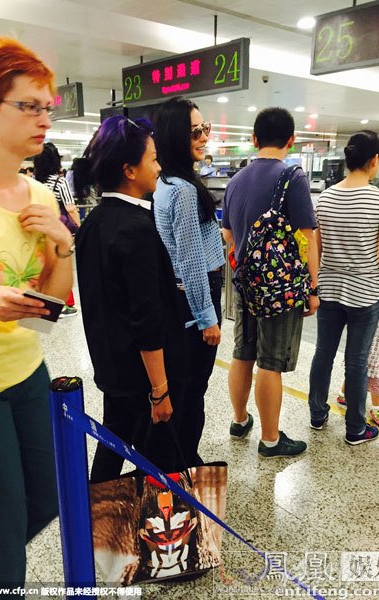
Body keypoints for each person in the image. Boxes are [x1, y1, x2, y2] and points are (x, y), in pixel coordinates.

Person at [0, 36, 73, 591]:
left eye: (47, 107)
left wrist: (63, 245)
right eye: (29, 106)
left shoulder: (42, 197)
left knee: (49, 499)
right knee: (1, 526)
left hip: (26, 371)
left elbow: (51, 303)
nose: (44, 120)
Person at [75, 116, 186, 482]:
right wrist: (160, 390)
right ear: (129, 170)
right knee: (161, 465)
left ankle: (94, 510)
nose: (159, 167)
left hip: (113, 367)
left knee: (113, 444)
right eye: (153, 159)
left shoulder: (94, 223)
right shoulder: (136, 229)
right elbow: (146, 317)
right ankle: (158, 520)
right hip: (142, 378)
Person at [222, 107, 319, 458]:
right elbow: (306, 238)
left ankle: (239, 420)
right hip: (279, 287)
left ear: (254, 139)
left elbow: (228, 235)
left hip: (245, 282)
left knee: (243, 352)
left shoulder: (235, 181)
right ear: (291, 140)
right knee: (270, 361)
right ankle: (271, 439)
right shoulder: (293, 177)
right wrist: (312, 288)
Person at [309, 130, 379, 445]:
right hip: (366, 293)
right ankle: (355, 429)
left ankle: (317, 415)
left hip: (330, 289)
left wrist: (316, 285)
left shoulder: (325, 198)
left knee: (323, 353)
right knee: (357, 360)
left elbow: (318, 248)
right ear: (374, 160)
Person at [153, 96, 224, 466]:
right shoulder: (182, 189)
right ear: (174, 136)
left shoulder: (166, 181)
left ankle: (177, 463)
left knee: (185, 387)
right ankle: (183, 466)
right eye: (195, 131)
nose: (204, 137)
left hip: (181, 298)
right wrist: (206, 317)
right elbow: (191, 260)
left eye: (204, 128)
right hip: (195, 296)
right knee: (193, 390)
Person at [34, 142, 80, 317]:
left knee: (42, 268)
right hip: (56, 230)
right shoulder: (59, 182)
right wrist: (79, 227)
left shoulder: (34, 181)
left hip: (36, 230)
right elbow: (70, 208)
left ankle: (42, 306)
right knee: (60, 265)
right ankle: (63, 306)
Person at [337, 315, 379, 428]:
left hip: (376, 356)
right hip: (360, 353)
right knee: (353, 376)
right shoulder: (364, 313)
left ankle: (376, 409)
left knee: (376, 384)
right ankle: (342, 395)